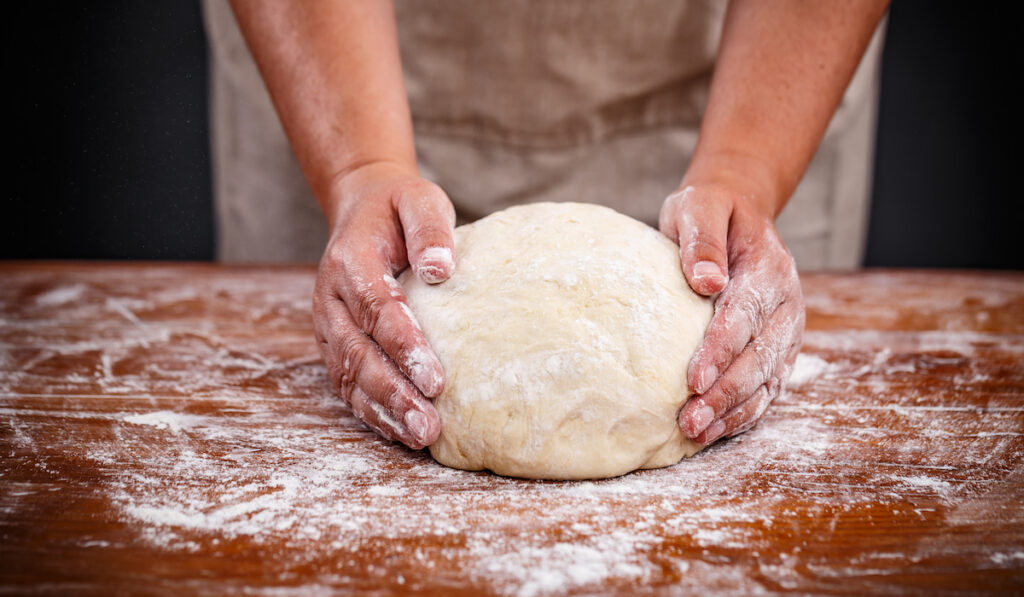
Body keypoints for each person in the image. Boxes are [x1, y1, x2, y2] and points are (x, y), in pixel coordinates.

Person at [203, 1, 889, 450]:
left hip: (750, 66)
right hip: (338, 59)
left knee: (726, 337)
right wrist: (359, 166)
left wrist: (746, 170)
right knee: (365, 336)